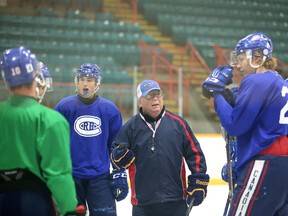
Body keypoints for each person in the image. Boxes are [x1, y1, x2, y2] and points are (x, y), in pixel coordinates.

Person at [202, 32, 288, 215]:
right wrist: (232, 97)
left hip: (265, 161)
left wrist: (216, 94)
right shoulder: (279, 82)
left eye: (241, 58)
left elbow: (235, 125)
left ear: (256, 57)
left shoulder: (256, 81)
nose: (238, 65)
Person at [0, 47, 84, 216]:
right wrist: (69, 209)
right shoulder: (51, 120)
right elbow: (58, 173)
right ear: (35, 76)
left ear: (6, 79)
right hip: (34, 202)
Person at [110, 79, 210, 216]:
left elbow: (195, 153)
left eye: (158, 94)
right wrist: (118, 157)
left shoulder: (178, 124)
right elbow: (115, 156)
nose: (155, 98)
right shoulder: (130, 128)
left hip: (175, 201)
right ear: (140, 101)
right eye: (149, 95)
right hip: (143, 203)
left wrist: (199, 179)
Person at [55, 63, 128, 216]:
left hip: (100, 179)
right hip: (72, 178)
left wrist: (119, 172)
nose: (85, 83)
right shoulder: (64, 107)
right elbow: (55, 144)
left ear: (97, 84)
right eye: (82, 79)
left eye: (89, 79)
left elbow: (116, 147)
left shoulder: (109, 110)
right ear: (77, 82)